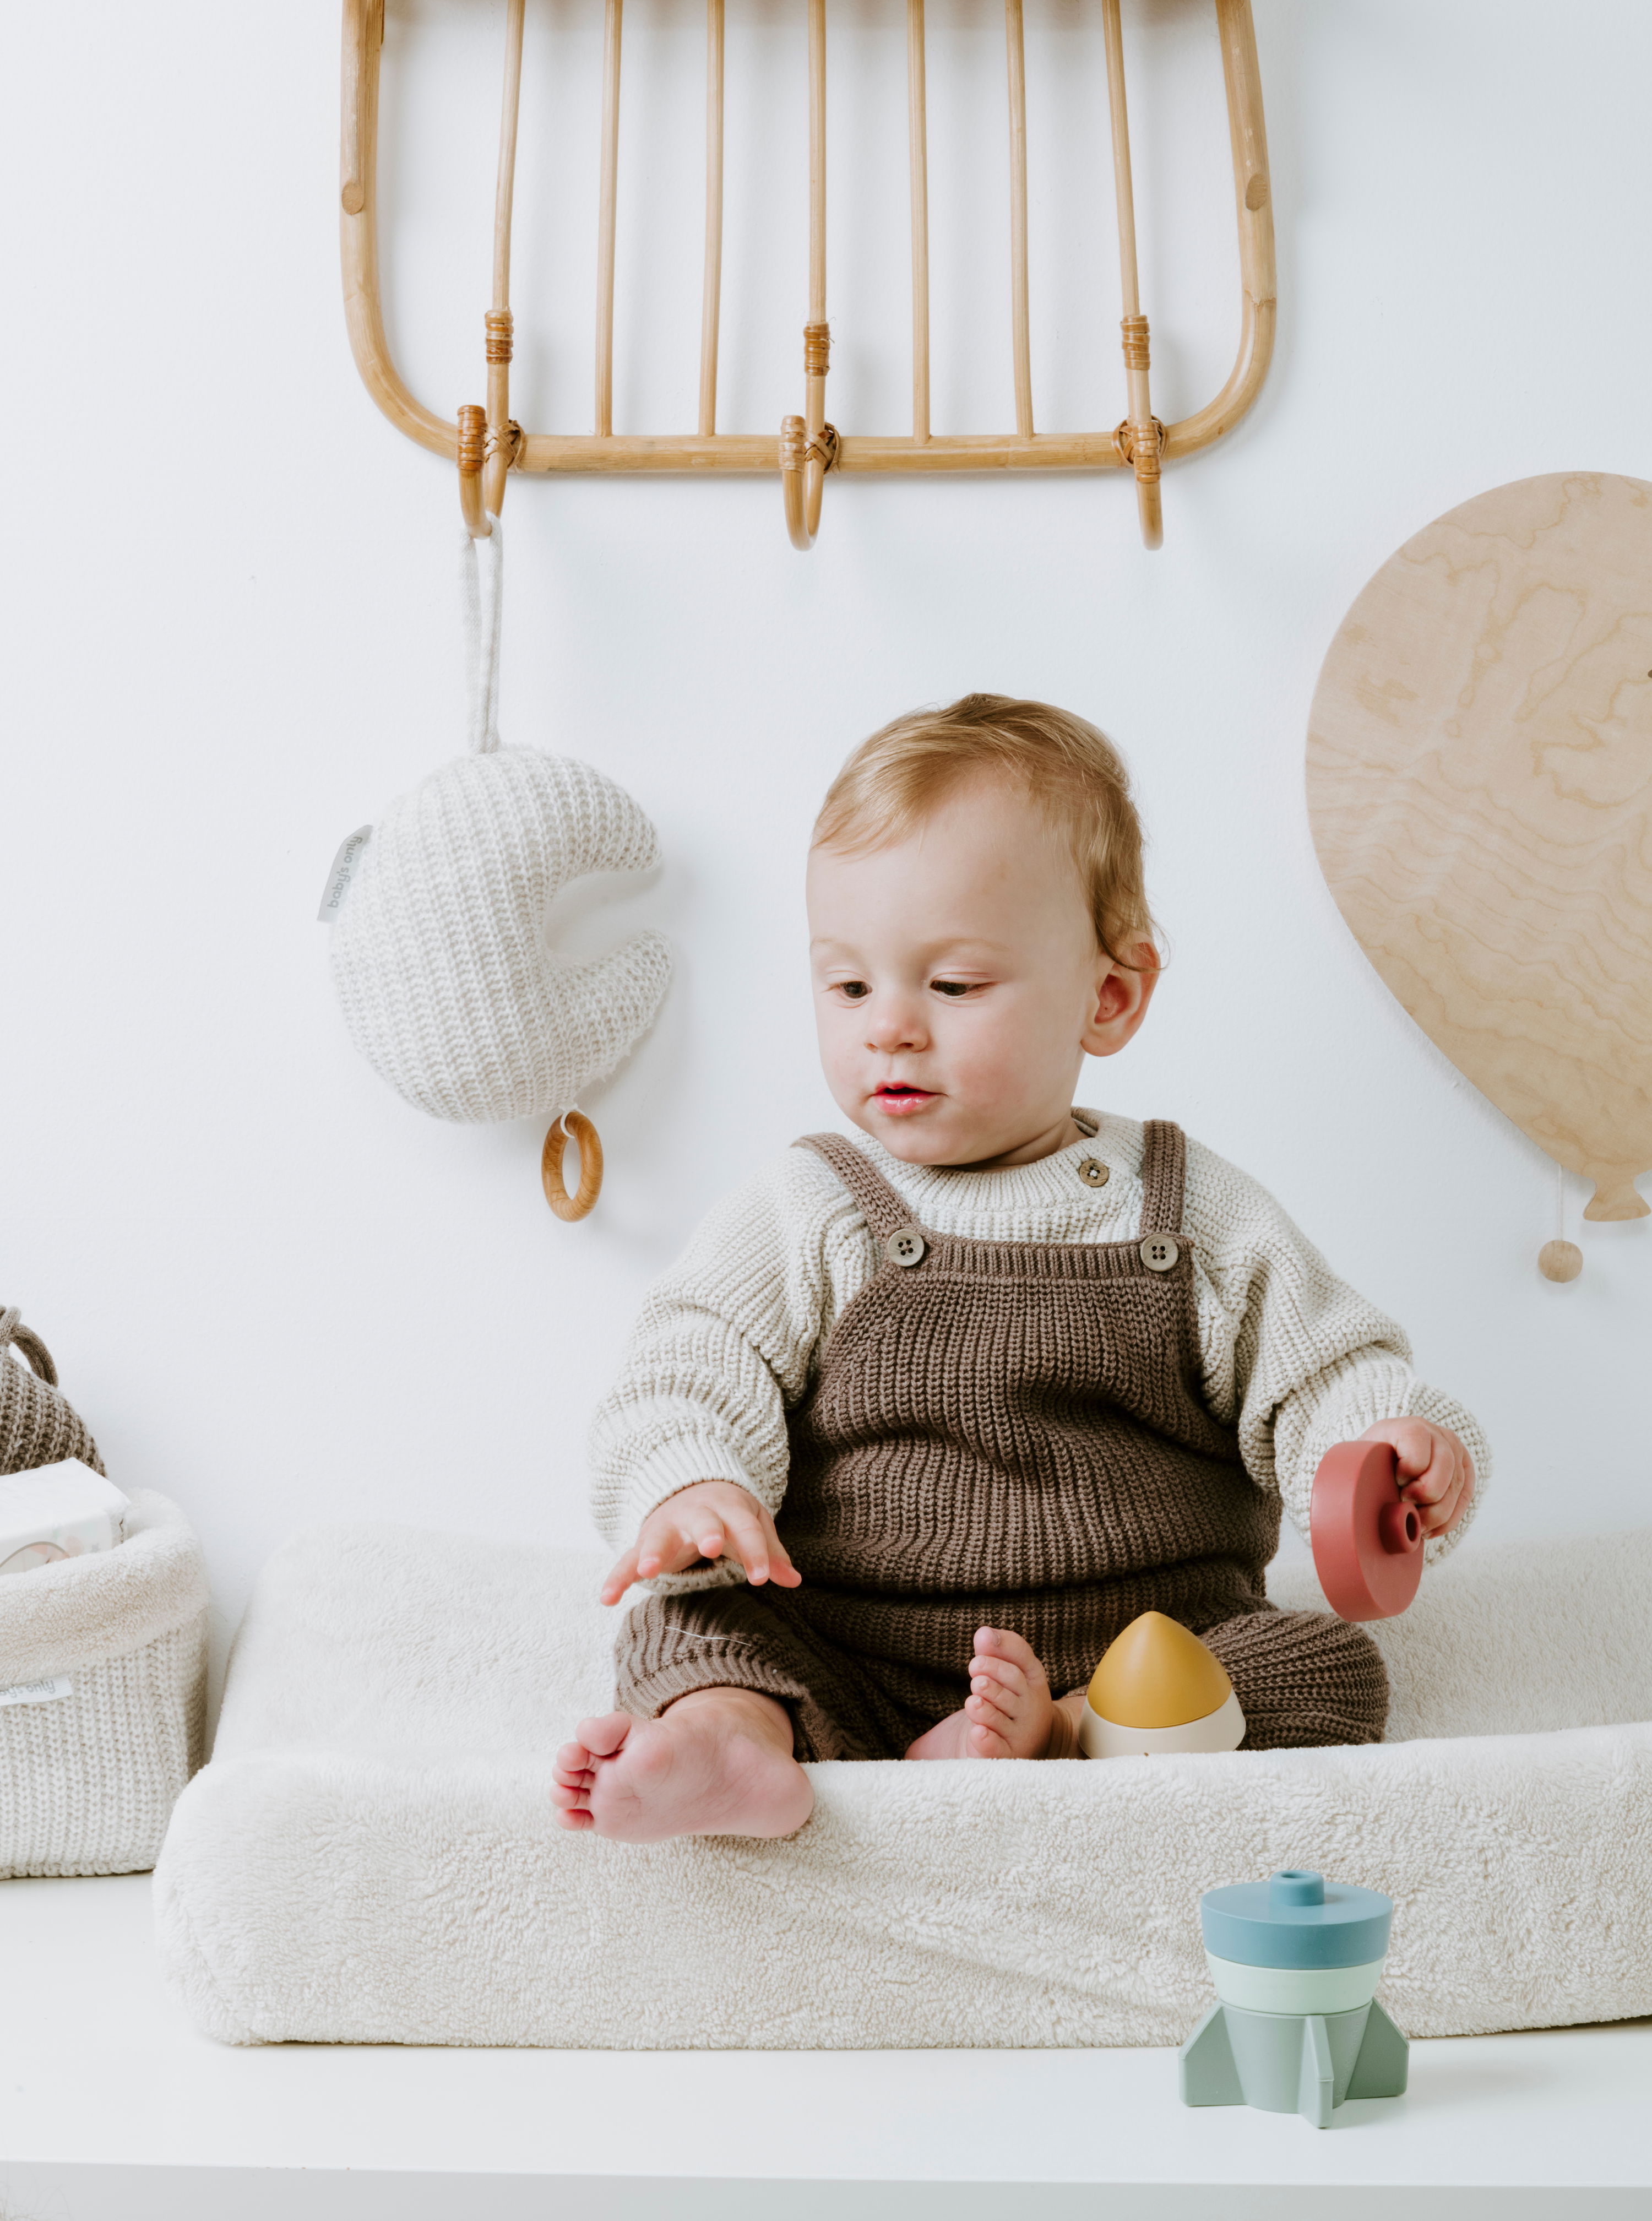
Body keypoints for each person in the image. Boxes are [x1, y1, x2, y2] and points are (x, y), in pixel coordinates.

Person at [553, 695, 1486, 1843]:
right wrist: (693, 1482)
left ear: (1110, 995)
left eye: (950, 986)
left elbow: (1324, 1374)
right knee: (688, 1620)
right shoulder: (809, 1207)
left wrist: (1394, 1448)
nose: (888, 1027)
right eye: (848, 986)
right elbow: (689, 1363)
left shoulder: (1195, 1211)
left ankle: (1067, 1729)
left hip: (1142, 1650)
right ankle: (731, 1742)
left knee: (1324, 1667)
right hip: (844, 1635)